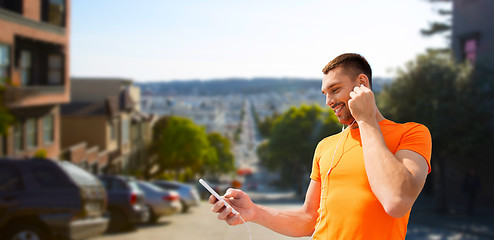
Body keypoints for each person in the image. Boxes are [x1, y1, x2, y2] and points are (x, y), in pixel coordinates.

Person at [208, 53, 432, 239]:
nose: (328, 102)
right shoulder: (326, 146)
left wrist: (365, 120)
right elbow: (308, 220)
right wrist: (254, 211)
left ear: (362, 84)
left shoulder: (411, 133)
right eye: (325, 94)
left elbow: (396, 202)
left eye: (335, 90)